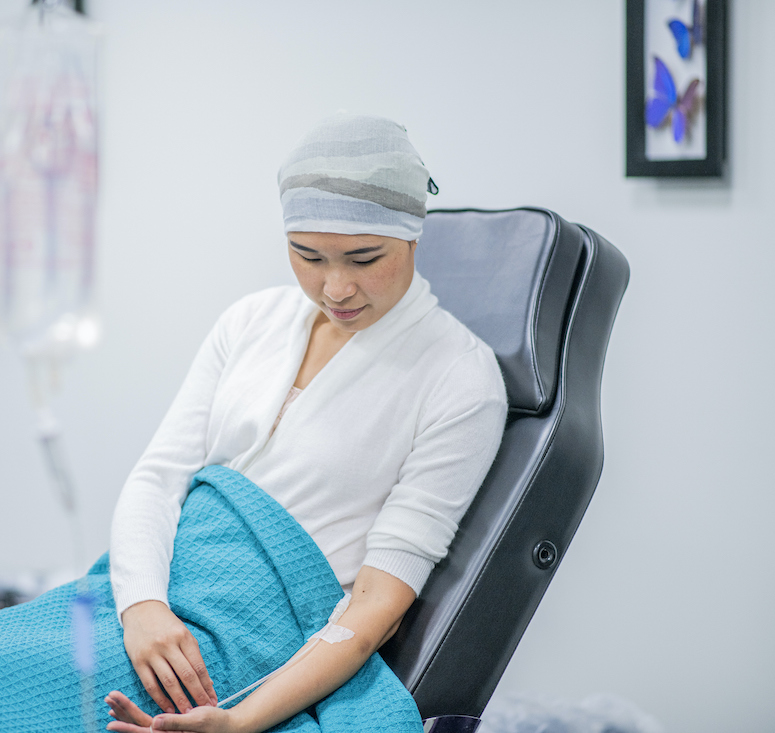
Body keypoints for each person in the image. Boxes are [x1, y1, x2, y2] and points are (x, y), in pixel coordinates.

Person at [104, 113, 508, 733]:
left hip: (243, 643)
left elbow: (378, 602)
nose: (335, 287)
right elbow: (158, 477)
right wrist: (141, 605)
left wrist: (240, 724)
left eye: (364, 258)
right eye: (307, 256)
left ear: (413, 236)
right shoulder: (250, 322)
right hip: (148, 605)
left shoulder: (459, 377)